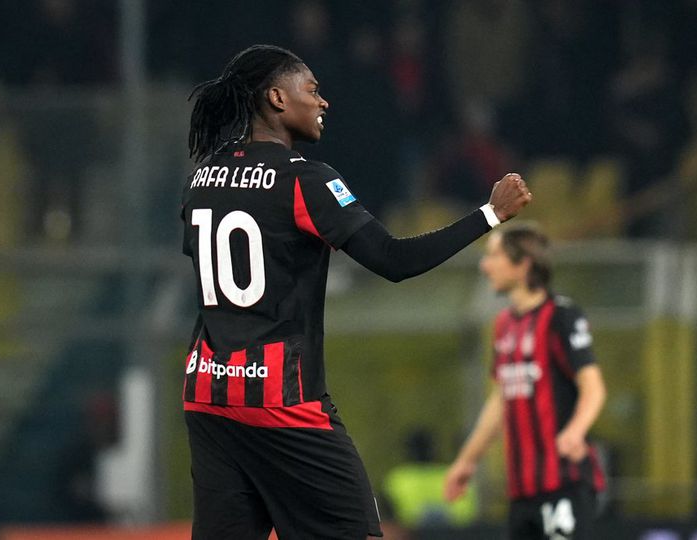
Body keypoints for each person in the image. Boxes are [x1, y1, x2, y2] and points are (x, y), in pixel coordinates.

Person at [180, 44, 532, 540]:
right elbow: (393, 260)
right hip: (280, 400)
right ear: (277, 98)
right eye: (312, 90)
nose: (323, 102)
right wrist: (489, 214)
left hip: (208, 394)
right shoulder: (306, 181)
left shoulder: (202, 177)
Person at [443, 223, 606, 539]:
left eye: (494, 256)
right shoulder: (504, 325)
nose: (485, 266)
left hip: (564, 482)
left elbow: (593, 386)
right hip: (521, 492)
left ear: (523, 265)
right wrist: (466, 462)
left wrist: (575, 430)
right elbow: (501, 400)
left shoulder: (561, 317)